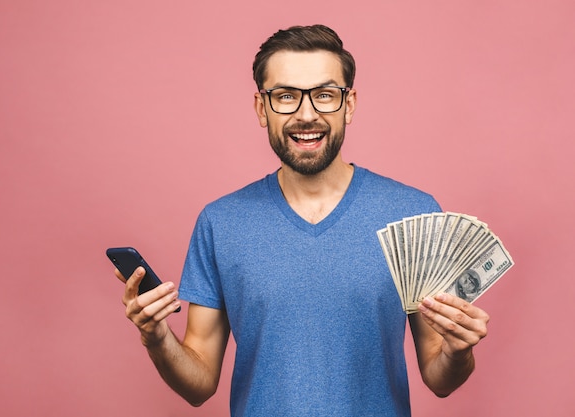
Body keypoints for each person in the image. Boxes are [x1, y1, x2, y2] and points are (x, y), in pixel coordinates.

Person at [116, 24, 490, 417]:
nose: (306, 114)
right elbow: (199, 384)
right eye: (286, 96)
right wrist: (156, 336)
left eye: (325, 95)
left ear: (350, 104)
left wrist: (458, 351)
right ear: (263, 108)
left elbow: (439, 376)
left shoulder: (414, 213)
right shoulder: (220, 222)